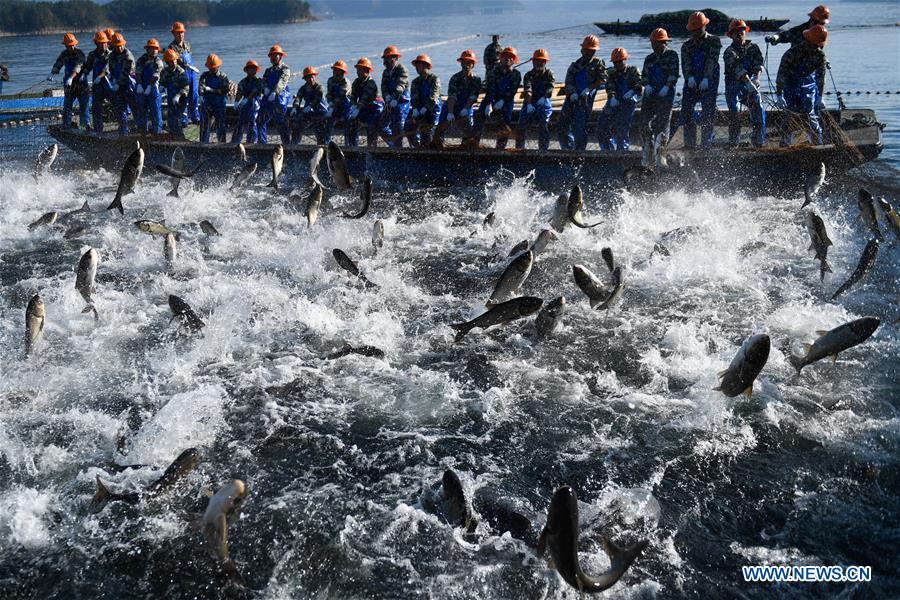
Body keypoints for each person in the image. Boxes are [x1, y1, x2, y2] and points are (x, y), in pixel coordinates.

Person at [776, 24, 828, 146]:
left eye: (818, 45)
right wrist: (779, 95)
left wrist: (820, 97)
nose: (815, 47)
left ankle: (817, 145)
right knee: (789, 119)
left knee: (810, 118)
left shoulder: (820, 56)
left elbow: (821, 78)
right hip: (791, 86)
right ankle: (784, 147)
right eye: (813, 44)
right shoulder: (791, 54)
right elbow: (781, 76)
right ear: (807, 40)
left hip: (809, 88)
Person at [680, 11, 721, 149]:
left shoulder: (714, 41)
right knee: (686, 111)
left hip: (709, 81)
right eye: (693, 30)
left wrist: (706, 78)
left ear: (704, 26)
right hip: (691, 81)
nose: (696, 32)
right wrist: (689, 77)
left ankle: (706, 143)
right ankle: (690, 143)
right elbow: (685, 64)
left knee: (708, 111)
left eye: (698, 29)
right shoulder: (686, 45)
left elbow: (711, 60)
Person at [557, 35, 607, 151]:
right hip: (572, 97)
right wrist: (572, 92)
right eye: (587, 50)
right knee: (562, 124)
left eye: (592, 51)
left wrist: (589, 88)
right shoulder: (574, 65)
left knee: (579, 126)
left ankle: (579, 151)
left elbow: (603, 79)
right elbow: (568, 81)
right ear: (582, 50)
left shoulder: (598, 63)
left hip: (585, 98)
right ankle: (567, 148)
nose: (590, 53)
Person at [638, 28, 679, 167]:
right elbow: (644, 75)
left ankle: (660, 153)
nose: (654, 45)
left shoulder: (672, 55)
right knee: (644, 123)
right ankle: (647, 150)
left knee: (662, 124)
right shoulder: (649, 58)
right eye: (653, 43)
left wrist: (667, 86)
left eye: (658, 43)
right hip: (650, 94)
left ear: (664, 42)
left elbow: (674, 73)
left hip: (665, 94)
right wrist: (647, 85)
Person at [723, 20, 765, 147]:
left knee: (758, 108)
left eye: (741, 30)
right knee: (735, 112)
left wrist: (756, 79)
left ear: (745, 32)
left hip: (751, 84)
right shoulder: (729, 51)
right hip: (733, 86)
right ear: (731, 35)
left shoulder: (754, 48)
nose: (739, 33)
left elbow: (759, 64)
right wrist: (747, 82)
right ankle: (733, 143)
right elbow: (736, 68)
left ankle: (758, 142)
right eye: (736, 31)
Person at [596, 47, 640, 152]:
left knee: (621, 128)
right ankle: (607, 150)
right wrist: (612, 97)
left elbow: (640, 84)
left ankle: (622, 151)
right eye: (615, 62)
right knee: (602, 125)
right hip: (614, 101)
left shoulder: (633, 70)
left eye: (619, 62)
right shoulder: (612, 72)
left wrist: (632, 91)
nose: (617, 64)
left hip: (628, 102)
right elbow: (610, 86)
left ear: (625, 60)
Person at [435, 49, 482, 147]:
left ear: (473, 64)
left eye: (469, 62)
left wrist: (466, 109)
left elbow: (473, 96)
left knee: (469, 133)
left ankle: (466, 147)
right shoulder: (455, 78)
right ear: (461, 64)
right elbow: (452, 96)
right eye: (464, 62)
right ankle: (437, 147)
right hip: (451, 106)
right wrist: (451, 112)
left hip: (466, 107)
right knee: (440, 129)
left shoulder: (476, 79)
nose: (466, 65)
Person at [477, 46, 521, 149]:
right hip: (492, 98)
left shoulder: (516, 74)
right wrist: (489, 104)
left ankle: (500, 147)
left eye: (511, 57)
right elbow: (490, 88)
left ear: (514, 60)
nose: (508, 59)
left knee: (505, 122)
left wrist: (502, 101)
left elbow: (513, 91)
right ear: (501, 58)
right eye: (505, 56)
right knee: (479, 116)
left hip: (507, 101)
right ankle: (473, 142)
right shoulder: (493, 71)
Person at [515, 49, 554, 151]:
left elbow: (550, 87)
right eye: (537, 60)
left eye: (542, 61)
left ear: (545, 62)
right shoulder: (528, 75)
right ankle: (519, 149)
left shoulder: (549, 73)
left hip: (544, 101)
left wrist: (544, 97)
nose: (539, 63)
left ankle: (543, 149)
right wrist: (528, 104)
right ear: (533, 61)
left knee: (544, 124)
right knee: (521, 124)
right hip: (530, 101)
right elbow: (528, 89)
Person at [49, 33, 89, 130]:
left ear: (75, 44)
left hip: (81, 84)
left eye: (72, 45)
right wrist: (52, 73)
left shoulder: (80, 54)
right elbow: (58, 64)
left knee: (84, 104)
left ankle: (85, 125)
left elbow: (78, 67)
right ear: (65, 45)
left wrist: (71, 78)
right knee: (67, 105)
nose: (71, 47)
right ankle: (67, 125)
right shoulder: (64, 54)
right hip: (69, 85)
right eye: (69, 46)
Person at [404, 54, 441, 147]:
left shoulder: (434, 79)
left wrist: (425, 109)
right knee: (408, 126)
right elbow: (414, 98)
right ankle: (417, 147)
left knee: (426, 132)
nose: (417, 67)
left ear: (426, 65)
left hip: (433, 111)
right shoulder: (415, 82)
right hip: (420, 110)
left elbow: (433, 97)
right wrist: (416, 109)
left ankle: (428, 148)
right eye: (416, 65)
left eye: (419, 65)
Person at [167, 22, 200, 125]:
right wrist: (186, 65)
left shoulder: (187, 45)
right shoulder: (172, 47)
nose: (180, 35)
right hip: (181, 74)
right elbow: (176, 61)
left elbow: (189, 57)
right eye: (178, 33)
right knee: (183, 95)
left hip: (191, 73)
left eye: (182, 32)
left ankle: (195, 116)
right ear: (174, 34)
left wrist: (191, 67)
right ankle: (183, 118)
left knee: (194, 95)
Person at [346, 57, 384, 147]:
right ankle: (353, 146)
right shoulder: (356, 82)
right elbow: (353, 95)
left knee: (371, 125)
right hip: (364, 108)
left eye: (360, 69)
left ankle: (371, 148)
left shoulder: (371, 83)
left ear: (367, 70)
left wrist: (358, 108)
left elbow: (365, 98)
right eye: (357, 69)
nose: (357, 71)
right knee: (352, 122)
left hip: (375, 108)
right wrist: (353, 105)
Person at [258, 45, 292, 144]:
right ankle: (262, 143)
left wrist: (275, 92)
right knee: (260, 120)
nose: (273, 58)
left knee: (280, 122)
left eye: (275, 55)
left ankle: (287, 145)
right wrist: (265, 88)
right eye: (271, 56)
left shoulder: (285, 69)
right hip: (268, 98)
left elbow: (282, 81)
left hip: (280, 99)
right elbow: (264, 80)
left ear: (280, 56)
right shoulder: (268, 70)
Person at [378, 45, 411, 147]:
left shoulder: (402, 70)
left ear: (395, 58)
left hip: (402, 102)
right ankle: (393, 145)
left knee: (399, 125)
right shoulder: (386, 72)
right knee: (380, 126)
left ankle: (400, 149)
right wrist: (387, 97)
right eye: (385, 58)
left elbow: (401, 85)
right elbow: (383, 86)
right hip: (389, 102)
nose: (386, 61)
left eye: (388, 58)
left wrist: (395, 98)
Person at [107, 33, 138, 135]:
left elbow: (126, 72)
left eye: (121, 45)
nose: (119, 47)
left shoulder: (128, 56)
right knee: (120, 109)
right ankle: (123, 131)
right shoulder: (111, 56)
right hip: (118, 86)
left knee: (135, 107)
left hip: (129, 85)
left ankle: (140, 129)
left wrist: (118, 83)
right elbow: (111, 68)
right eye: (117, 46)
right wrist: (113, 80)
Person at [82, 32, 111, 134]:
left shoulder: (110, 54)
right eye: (100, 43)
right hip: (97, 85)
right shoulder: (92, 55)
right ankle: (98, 129)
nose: (103, 45)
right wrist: (84, 74)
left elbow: (107, 68)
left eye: (104, 43)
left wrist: (100, 76)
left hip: (109, 85)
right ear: (96, 44)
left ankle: (123, 129)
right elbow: (87, 67)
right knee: (96, 108)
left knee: (117, 105)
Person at [291, 66, 329, 144]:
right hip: (309, 113)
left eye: (312, 77)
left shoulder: (319, 87)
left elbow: (318, 99)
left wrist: (311, 106)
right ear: (305, 79)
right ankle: (294, 144)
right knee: (297, 124)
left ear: (315, 77)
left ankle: (322, 146)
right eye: (308, 78)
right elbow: (298, 97)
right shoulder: (303, 88)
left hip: (321, 112)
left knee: (319, 129)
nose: (311, 79)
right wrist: (295, 107)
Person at [198, 54, 230, 143]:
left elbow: (225, 90)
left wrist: (212, 90)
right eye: (210, 67)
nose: (212, 69)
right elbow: (201, 87)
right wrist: (200, 95)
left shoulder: (223, 76)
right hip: (207, 104)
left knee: (220, 126)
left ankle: (222, 145)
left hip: (219, 105)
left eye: (214, 67)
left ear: (218, 66)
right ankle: (203, 145)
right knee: (205, 126)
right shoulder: (204, 76)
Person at [134, 39, 163, 134]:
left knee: (155, 111)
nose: (154, 50)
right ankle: (142, 131)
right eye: (152, 48)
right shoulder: (141, 60)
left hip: (153, 88)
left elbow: (155, 76)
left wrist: (150, 87)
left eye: (156, 48)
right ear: (147, 49)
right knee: (142, 110)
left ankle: (157, 132)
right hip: (142, 87)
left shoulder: (158, 61)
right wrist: (139, 85)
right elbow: (138, 73)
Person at [159, 49, 190, 138]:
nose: (173, 63)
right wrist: (161, 87)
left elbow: (186, 87)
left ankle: (181, 138)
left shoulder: (181, 72)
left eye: (174, 61)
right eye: (171, 62)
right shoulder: (165, 71)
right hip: (170, 97)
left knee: (178, 119)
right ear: (167, 63)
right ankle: (173, 136)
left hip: (181, 99)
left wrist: (178, 96)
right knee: (170, 119)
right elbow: (162, 82)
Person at [232, 60, 263, 144]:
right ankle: (235, 143)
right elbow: (240, 92)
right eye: (250, 69)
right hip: (245, 106)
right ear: (247, 70)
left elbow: (255, 91)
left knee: (253, 124)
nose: (252, 70)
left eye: (254, 69)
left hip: (255, 105)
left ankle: (251, 143)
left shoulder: (259, 81)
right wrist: (236, 102)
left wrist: (247, 99)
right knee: (240, 123)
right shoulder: (243, 82)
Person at [325, 60, 352, 145]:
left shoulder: (346, 82)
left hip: (345, 107)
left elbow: (341, 96)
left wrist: (332, 106)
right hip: (334, 107)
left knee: (348, 123)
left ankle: (348, 145)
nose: (334, 72)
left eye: (337, 70)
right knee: (328, 122)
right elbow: (329, 94)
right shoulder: (330, 80)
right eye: (334, 70)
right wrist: (330, 103)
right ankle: (326, 143)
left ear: (342, 72)